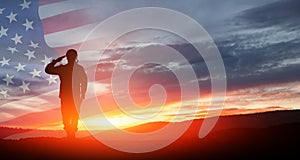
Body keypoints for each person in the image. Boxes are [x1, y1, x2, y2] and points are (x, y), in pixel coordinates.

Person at [45, 49, 87, 139]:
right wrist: (56, 61)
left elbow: (84, 81)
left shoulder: (70, 69)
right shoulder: (67, 68)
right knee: (69, 115)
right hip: (69, 96)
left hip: (72, 96)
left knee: (71, 115)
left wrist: (83, 93)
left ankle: (71, 133)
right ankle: (70, 133)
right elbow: (48, 70)